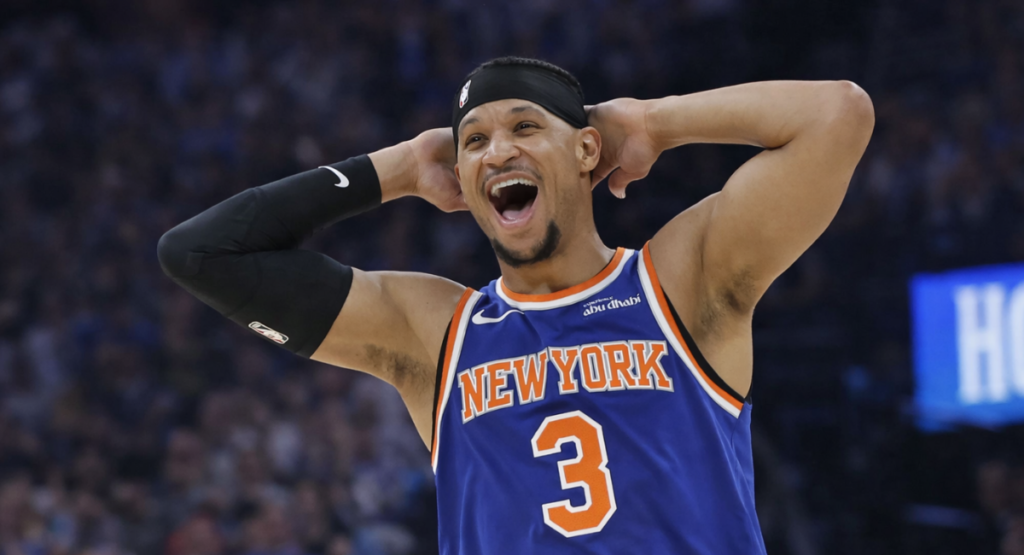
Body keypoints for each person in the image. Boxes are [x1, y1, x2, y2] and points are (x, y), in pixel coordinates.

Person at [158, 56, 874, 554]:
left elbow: (836, 114)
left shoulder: (680, 284)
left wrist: (656, 121)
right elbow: (199, 254)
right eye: (474, 141)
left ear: (588, 151)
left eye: (526, 127)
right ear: (463, 180)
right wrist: (398, 168)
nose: (497, 150)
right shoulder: (436, 333)